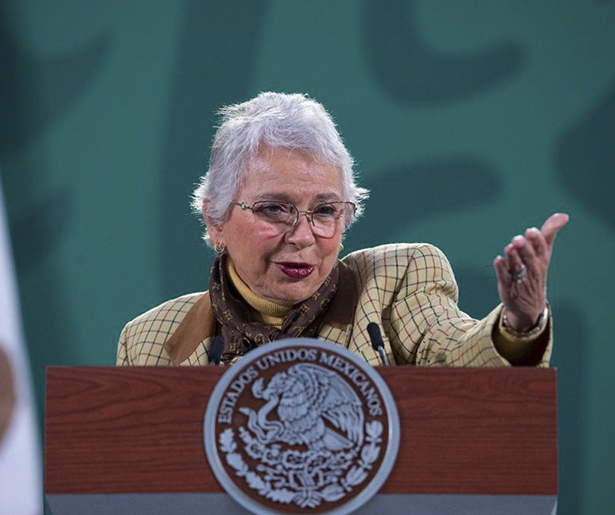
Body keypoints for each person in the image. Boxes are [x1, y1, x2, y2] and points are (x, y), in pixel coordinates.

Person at [117, 92, 568, 367]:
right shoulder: (147, 341)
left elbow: (454, 352)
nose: (303, 236)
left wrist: (519, 323)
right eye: (274, 209)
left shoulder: (395, 284)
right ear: (214, 219)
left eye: (325, 211)